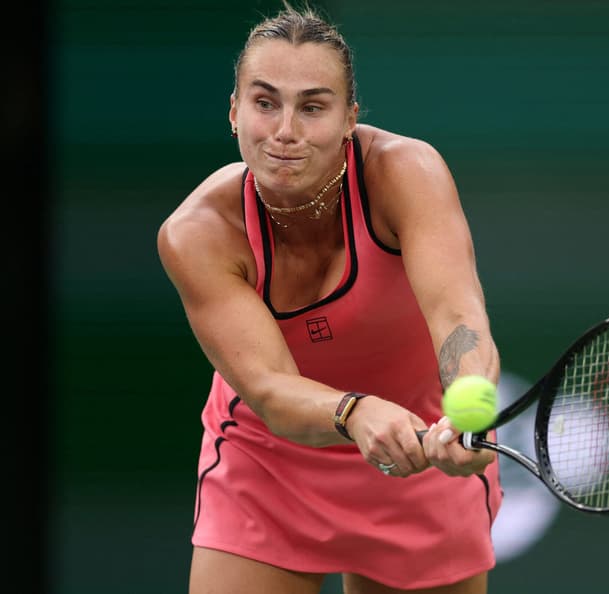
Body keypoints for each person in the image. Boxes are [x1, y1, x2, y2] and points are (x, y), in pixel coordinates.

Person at [156, 3, 502, 593]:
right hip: (269, 467)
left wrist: (468, 408)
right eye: (265, 103)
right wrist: (355, 410)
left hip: (421, 449)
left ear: (350, 119)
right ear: (234, 111)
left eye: (312, 106)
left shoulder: (405, 173)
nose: (285, 130)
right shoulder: (196, 234)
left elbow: (457, 315)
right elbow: (267, 387)